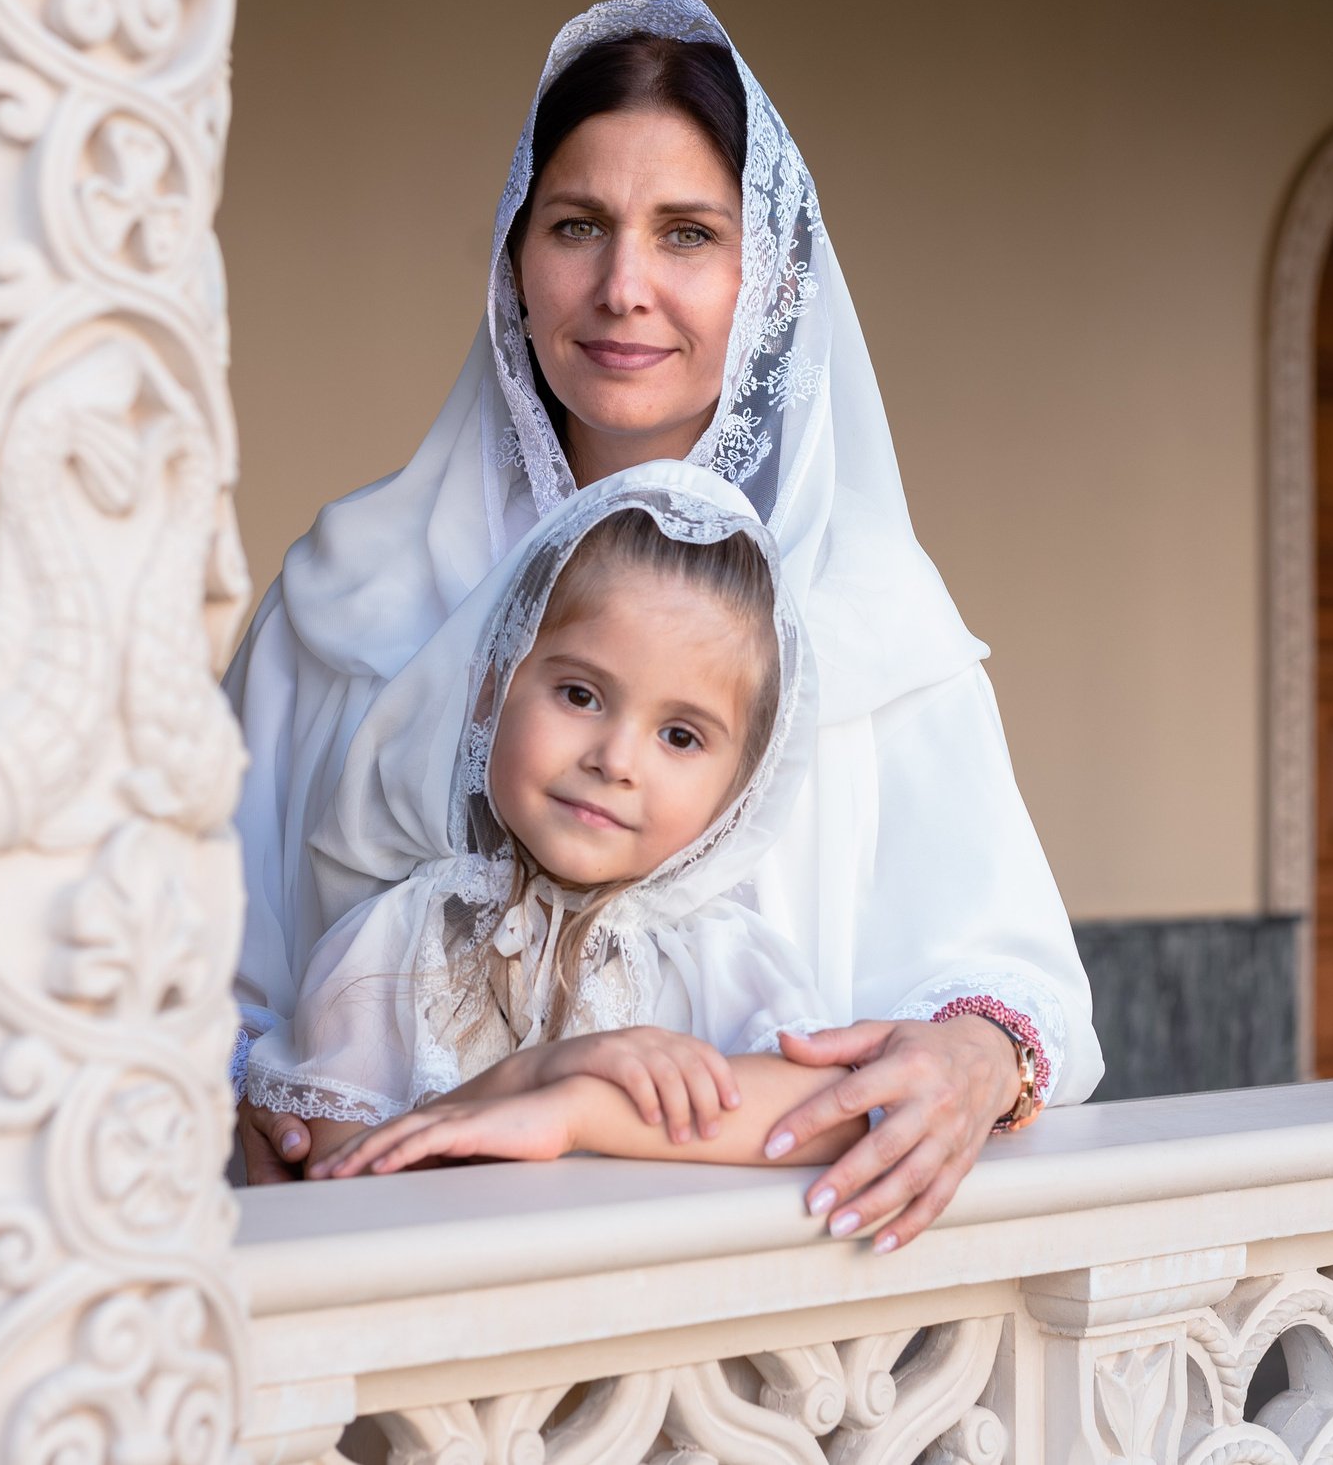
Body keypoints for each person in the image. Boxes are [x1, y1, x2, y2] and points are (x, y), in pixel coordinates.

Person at [228, 0, 1101, 1250]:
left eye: (688, 233)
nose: (623, 285)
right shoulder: (345, 593)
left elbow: (1013, 985)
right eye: (578, 224)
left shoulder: (871, 617)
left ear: (768, 276)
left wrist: (976, 1057)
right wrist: (236, 1086)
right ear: (513, 262)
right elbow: (168, 948)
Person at [245, 464, 872, 1181]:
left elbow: (833, 1111)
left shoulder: (711, 956)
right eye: (579, 693)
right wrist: (526, 1077)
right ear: (490, 691)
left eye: (680, 736)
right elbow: (336, 1178)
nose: (615, 759)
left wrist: (581, 1106)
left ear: (738, 792)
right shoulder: (400, 941)